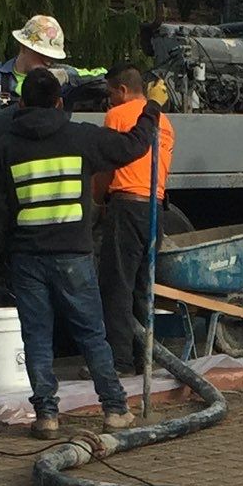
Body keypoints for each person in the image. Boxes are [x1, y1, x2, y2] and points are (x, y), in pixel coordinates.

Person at [0, 63, 159, 438]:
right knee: (92, 334)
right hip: (73, 256)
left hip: (27, 258)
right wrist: (152, 110)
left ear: (22, 103)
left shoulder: (5, 147)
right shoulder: (79, 138)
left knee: (37, 337)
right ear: (59, 102)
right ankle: (114, 410)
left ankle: (46, 416)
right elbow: (133, 146)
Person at [94, 61, 176, 372]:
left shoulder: (117, 115)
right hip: (154, 207)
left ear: (123, 90)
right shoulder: (165, 121)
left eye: (111, 92)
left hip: (126, 206)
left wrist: (98, 201)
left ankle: (118, 361)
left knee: (117, 285)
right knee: (144, 284)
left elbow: (106, 164)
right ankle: (146, 358)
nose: (109, 99)